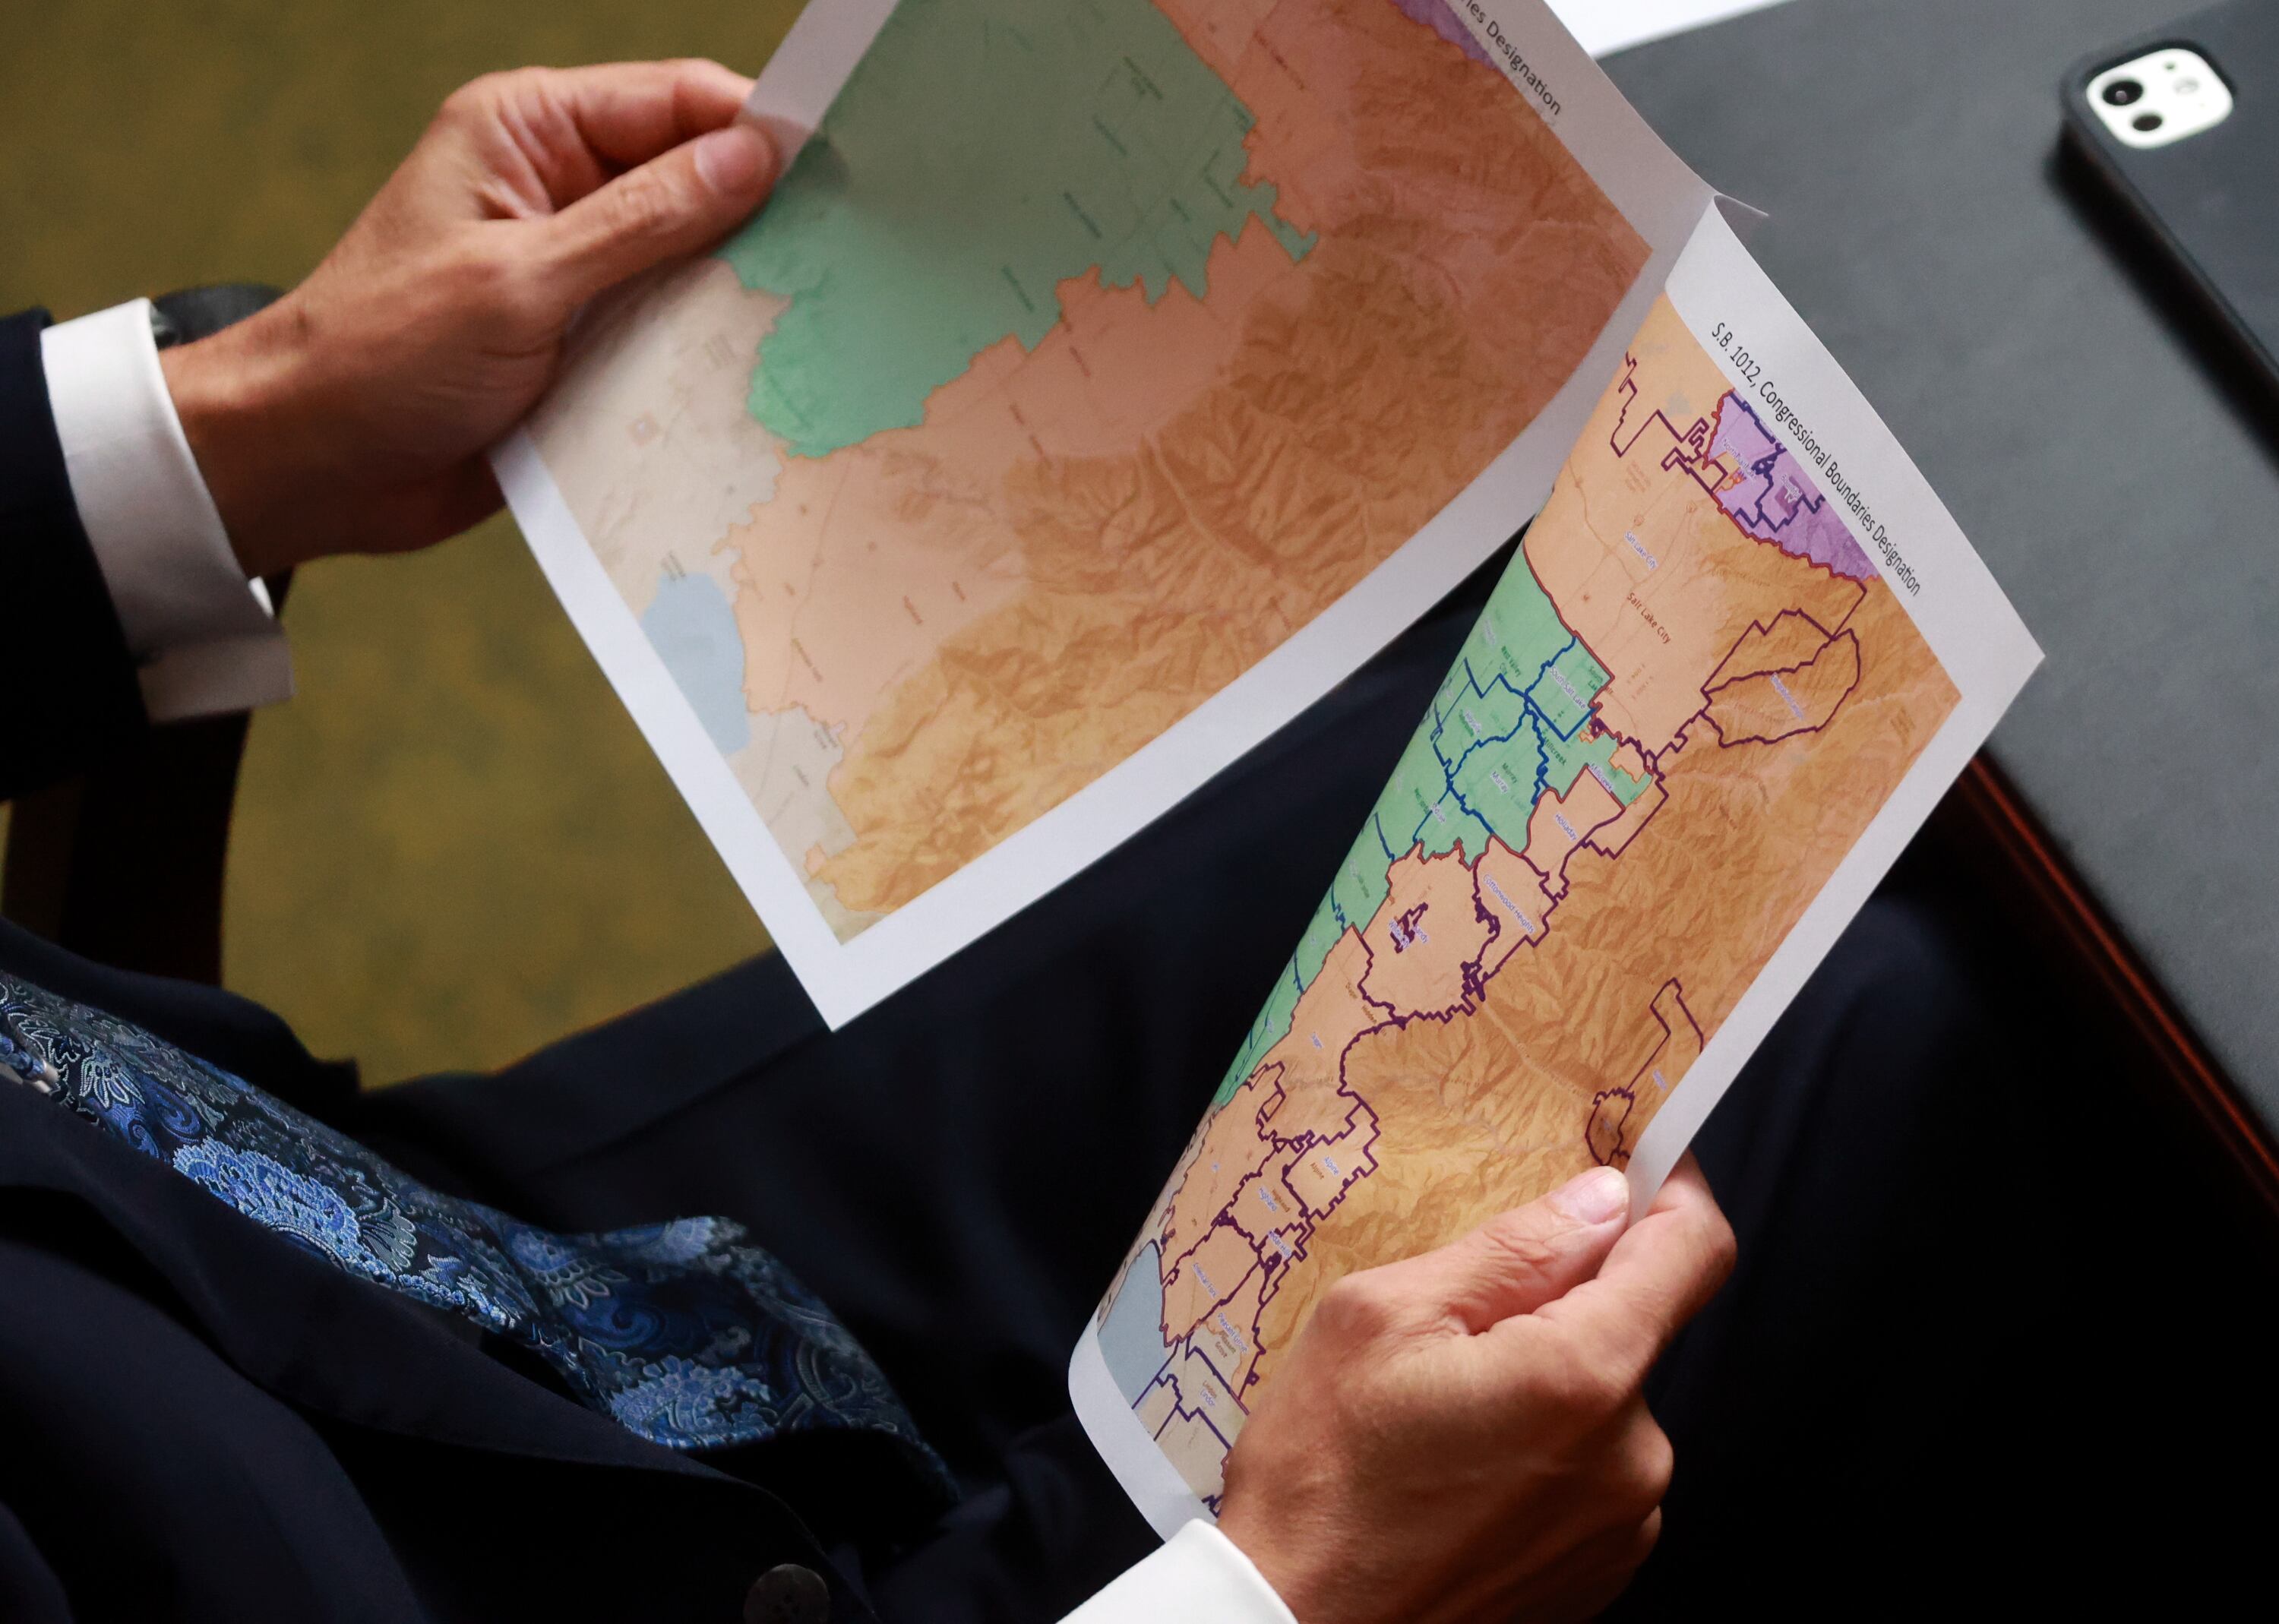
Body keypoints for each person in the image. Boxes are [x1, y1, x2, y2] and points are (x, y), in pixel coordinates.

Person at [11, 55, 2089, 1624]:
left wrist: (228, 425)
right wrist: (1267, 1594)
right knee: (1946, 1031)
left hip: (363, 1249)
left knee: (1657, 607)